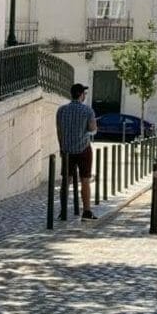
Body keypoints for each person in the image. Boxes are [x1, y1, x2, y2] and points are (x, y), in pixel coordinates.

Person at [56, 83, 98, 220]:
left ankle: (63, 212)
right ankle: (86, 211)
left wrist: (62, 147)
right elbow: (92, 128)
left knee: (65, 181)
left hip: (67, 150)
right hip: (83, 149)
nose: (85, 95)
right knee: (85, 180)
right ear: (81, 94)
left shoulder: (61, 110)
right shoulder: (88, 111)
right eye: (84, 93)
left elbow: (59, 131)